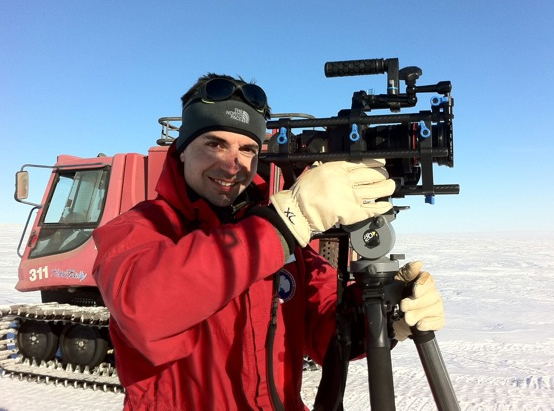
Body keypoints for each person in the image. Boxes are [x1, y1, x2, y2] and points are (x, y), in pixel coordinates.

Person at [92, 73, 445, 410]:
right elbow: (146, 307)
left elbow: (328, 331)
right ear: (182, 149)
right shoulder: (139, 228)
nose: (233, 165)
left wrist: (389, 316)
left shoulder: (284, 244)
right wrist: (287, 222)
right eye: (214, 144)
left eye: (247, 149)